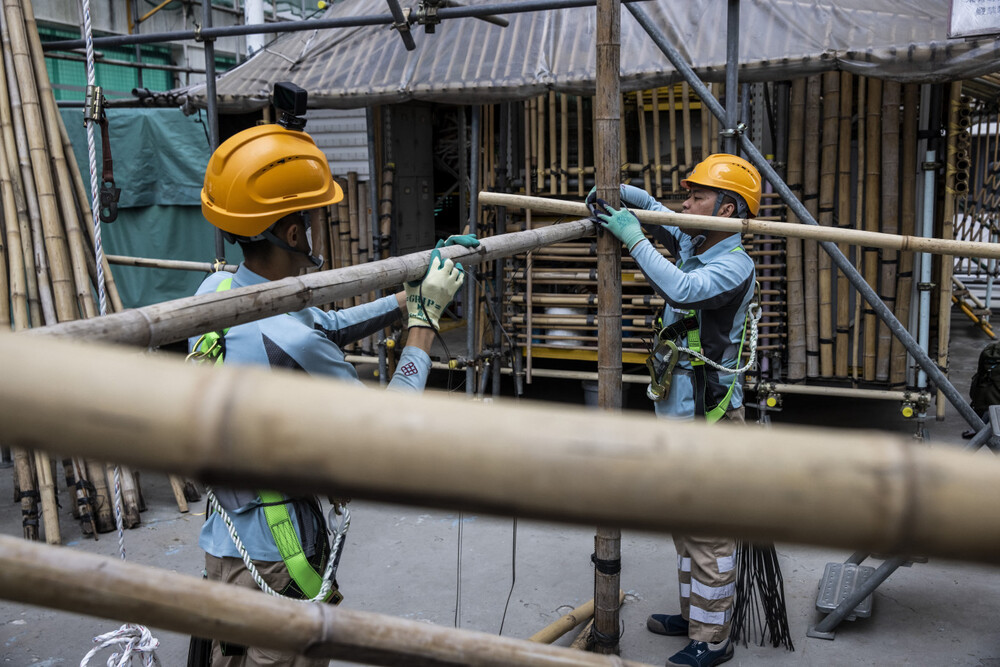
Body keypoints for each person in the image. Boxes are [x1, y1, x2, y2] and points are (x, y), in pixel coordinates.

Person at [189, 117, 469, 666]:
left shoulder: (217, 290)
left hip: (224, 539)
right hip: (279, 556)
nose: (316, 228)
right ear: (292, 234)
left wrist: (404, 298)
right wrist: (425, 321)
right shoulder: (296, 341)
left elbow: (318, 323)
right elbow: (386, 431)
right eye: (313, 220)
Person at [589, 153, 761, 667]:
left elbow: (681, 287)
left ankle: (713, 639)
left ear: (727, 209)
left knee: (708, 528)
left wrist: (632, 236)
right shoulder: (697, 239)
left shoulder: (734, 264)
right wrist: (626, 198)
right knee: (684, 521)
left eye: (697, 196)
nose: (686, 205)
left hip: (710, 419)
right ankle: (694, 618)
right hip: (679, 413)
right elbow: (664, 220)